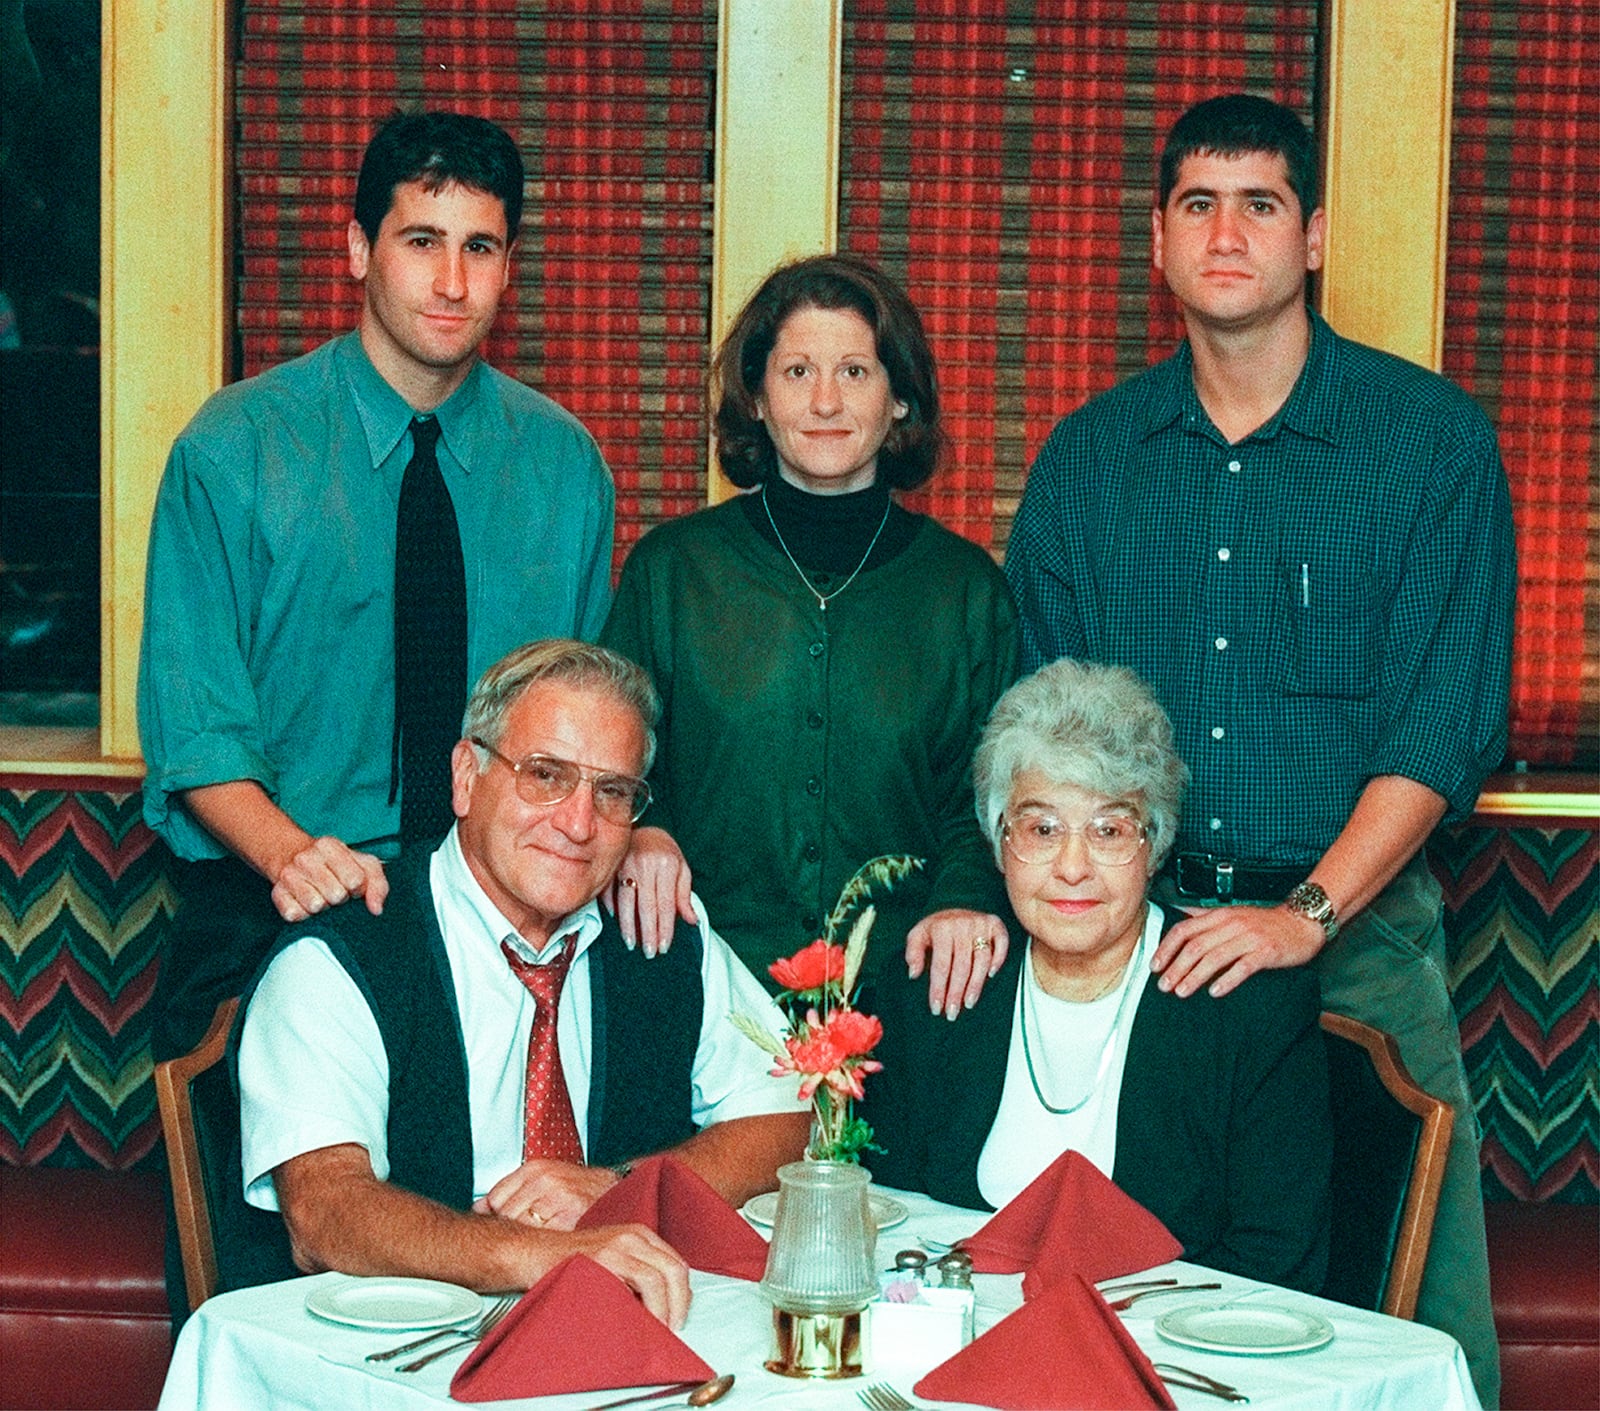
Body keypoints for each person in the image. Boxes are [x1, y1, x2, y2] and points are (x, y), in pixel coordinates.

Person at [1004, 93, 1513, 1403]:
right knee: (1137, 1323)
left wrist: (1305, 911)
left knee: (1415, 1330)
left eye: (1261, 202)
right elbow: (1047, 722)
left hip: (1363, 941)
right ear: (1158, 241)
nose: (1228, 232)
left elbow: (1442, 720)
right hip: (1142, 951)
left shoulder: (1429, 444)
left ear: (1316, 235)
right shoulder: (1090, 461)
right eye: (1197, 203)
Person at [138, 110, 615, 1064]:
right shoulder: (235, 451)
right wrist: (294, 859)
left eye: (480, 247)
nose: (451, 281)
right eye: (421, 241)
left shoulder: (566, 468)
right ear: (359, 250)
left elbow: (589, 725)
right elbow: (197, 733)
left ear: (509, 267)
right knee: (262, 1205)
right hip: (273, 895)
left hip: (499, 911)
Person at [228, 640, 810, 1327]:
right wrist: (545, 1254)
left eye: (612, 791)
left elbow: (789, 1117)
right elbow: (326, 1215)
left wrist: (616, 1188)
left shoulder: (653, 931)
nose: (577, 823)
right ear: (466, 776)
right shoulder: (342, 955)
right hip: (387, 1356)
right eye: (545, 775)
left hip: (614, 1333)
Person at [601, 253, 1019, 1014]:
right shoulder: (672, 571)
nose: (826, 400)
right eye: (796, 372)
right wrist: (642, 830)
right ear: (756, 397)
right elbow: (608, 751)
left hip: (911, 996)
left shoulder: (966, 591)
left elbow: (991, 796)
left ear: (900, 400)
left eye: (856, 372)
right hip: (697, 984)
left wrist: (963, 897)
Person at [864, 659, 1331, 1292]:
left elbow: (1276, 1262)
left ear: (1156, 844)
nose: (1073, 867)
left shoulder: (1246, 1006)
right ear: (999, 842)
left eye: (1109, 830)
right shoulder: (940, 987)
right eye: (1042, 829)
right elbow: (882, 1222)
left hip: (1159, 1358)